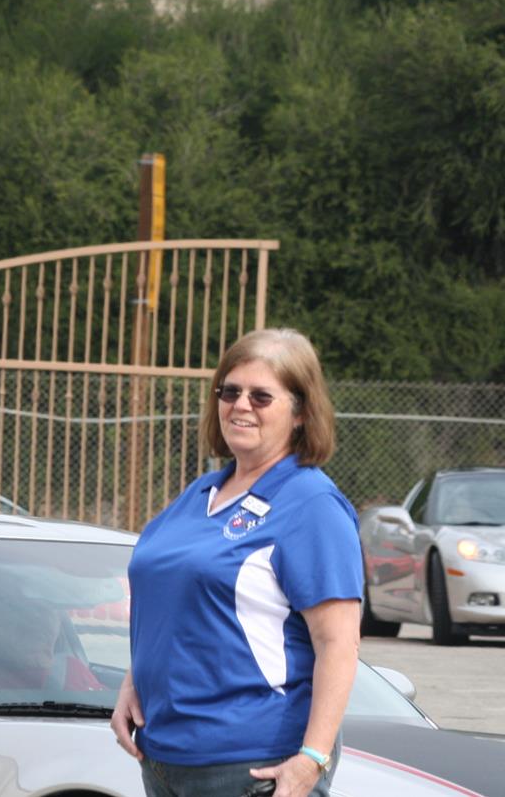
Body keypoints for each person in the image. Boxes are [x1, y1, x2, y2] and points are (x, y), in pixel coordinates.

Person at [112, 328, 362, 797]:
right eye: (230, 391)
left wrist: (312, 758)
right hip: (165, 758)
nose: (240, 405)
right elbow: (177, 603)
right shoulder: (200, 493)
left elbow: (339, 643)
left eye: (261, 396)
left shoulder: (311, 505)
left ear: (301, 412)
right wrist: (135, 680)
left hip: (251, 765)